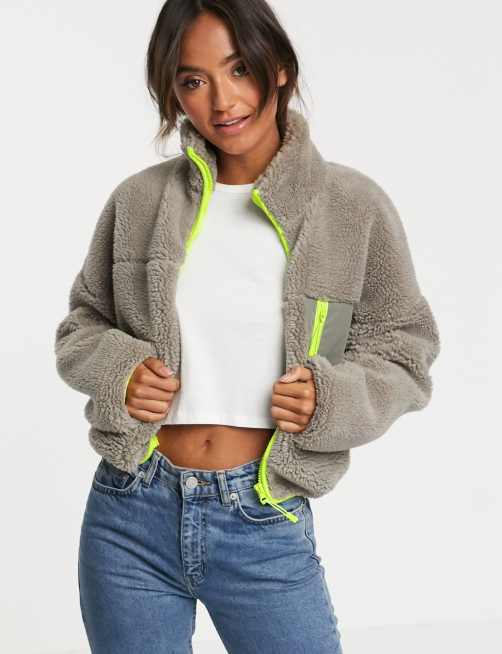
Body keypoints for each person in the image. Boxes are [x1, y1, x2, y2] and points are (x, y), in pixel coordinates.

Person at [55, 1, 440, 652]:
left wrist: (332, 397)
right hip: (129, 510)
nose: (222, 100)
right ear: (173, 93)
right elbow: (81, 326)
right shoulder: (139, 202)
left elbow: (405, 347)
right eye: (193, 80)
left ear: (279, 68)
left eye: (239, 69)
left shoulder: (351, 207)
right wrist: (120, 371)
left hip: (261, 515)